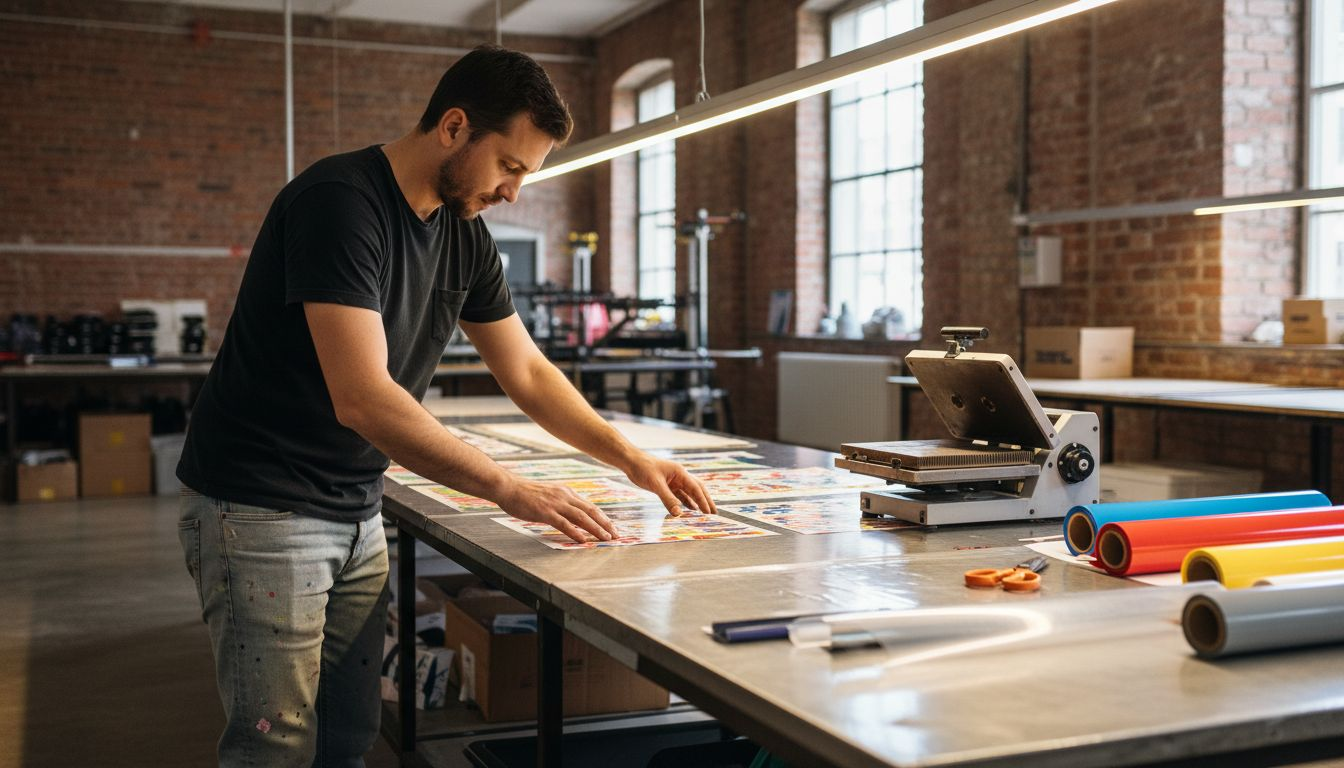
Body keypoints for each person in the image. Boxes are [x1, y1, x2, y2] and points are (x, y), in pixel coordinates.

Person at [175, 44, 717, 767]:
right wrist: (508, 488)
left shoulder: (464, 233)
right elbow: (363, 397)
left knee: (348, 736)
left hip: (353, 507)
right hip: (262, 509)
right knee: (274, 747)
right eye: (510, 167)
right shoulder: (339, 203)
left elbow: (525, 369)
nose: (514, 192)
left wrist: (632, 459)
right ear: (454, 126)